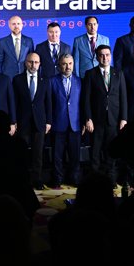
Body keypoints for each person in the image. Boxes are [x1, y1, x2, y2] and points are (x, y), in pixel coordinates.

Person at [82, 45, 127, 185]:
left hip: (114, 120)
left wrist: (124, 118)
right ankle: (94, 181)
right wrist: (88, 118)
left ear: (111, 56)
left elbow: (123, 97)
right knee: (95, 153)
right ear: (97, 57)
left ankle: (111, 180)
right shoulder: (90, 74)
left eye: (107, 55)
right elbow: (86, 99)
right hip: (96, 120)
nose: (105, 58)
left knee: (111, 152)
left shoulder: (118, 73)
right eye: (101, 55)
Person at [13, 52, 52, 189]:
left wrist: (49, 121)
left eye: (36, 62)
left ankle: (37, 180)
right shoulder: (17, 80)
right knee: (21, 153)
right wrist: (14, 121)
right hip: (23, 121)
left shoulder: (45, 80)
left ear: (39, 64)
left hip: (40, 122)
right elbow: (15, 102)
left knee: (38, 154)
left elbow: (48, 102)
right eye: (30, 62)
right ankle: (22, 180)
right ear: (26, 63)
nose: (33, 65)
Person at [50, 54, 82, 187]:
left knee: (75, 155)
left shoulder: (80, 81)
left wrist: (84, 121)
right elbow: (49, 104)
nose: (68, 67)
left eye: (70, 63)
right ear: (59, 65)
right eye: (64, 64)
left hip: (75, 124)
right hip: (58, 123)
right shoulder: (52, 81)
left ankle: (74, 179)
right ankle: (57, 179)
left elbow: (82, 103)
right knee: (57, 155)